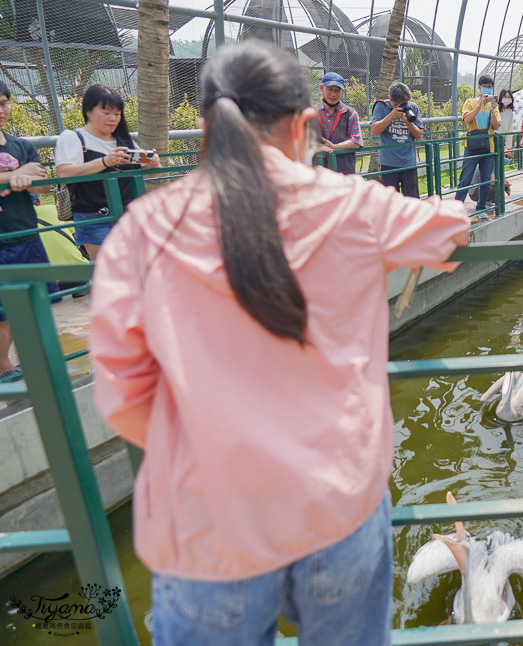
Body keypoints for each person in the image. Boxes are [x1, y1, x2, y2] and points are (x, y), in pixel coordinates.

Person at [89, 40, 468, 646]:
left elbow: (122, 397)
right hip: (336, 509)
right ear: (307, 125)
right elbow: (448, 232)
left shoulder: (143, 230)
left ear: (206, 128)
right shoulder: (356, 207)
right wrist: (448, 207)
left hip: (208, 526)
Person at [54, 85, 161, 261]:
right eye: (106, 113)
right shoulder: (73, 137)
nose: (113, 119)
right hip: (95, 218)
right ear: (88, 111)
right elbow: (65, 173)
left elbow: (154, 173)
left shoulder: (124, 140)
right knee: (109, 273)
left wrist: (153, 162)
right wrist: (105, 162)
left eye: (117, 114)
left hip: (131, 216)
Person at [0, 82, 57, 380]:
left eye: (4, 103)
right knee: (4, 314)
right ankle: (3, 366)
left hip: (26, 233)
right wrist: (15, 175)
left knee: (36, 302)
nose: (1, 110)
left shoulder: (22, 146)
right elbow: (25, 176)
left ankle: (36, 360)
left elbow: (44, 185)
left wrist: (22, 177)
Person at [454, 75, 501, 221]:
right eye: (484, 86)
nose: (487, 88)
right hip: (472, 146)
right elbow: (467, 119)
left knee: (486, 180)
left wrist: (492, 110)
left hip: (488, 146)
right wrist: (479, 105)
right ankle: (456, 209)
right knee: (465, 178)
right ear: (479, 87)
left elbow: (496, 125)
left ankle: (481, 207)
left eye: (490, 86)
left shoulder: (494, 105)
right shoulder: (470, 102)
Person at [370, 81, 423, 198]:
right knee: (390, 202)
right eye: (396, 104)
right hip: (388, 163)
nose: (400, 106)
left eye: (403, 103)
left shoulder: (413, 107)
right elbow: (374, 130)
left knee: (412, 202)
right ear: (389, 98)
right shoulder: (381, 106)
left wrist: (408, 123)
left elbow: (418, 134)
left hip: (409, 164)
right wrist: (391, 116)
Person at [314, 72, 363, 174]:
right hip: (316, 174)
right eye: (330, 89)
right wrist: (316, 147)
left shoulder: (350, 113)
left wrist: (335, 147)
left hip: (344, 173)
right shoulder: (311, 113)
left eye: (337, 91)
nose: (333, 94)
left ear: (342, 92)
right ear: (321, 88)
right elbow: (300, 140)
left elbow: (356, 141)